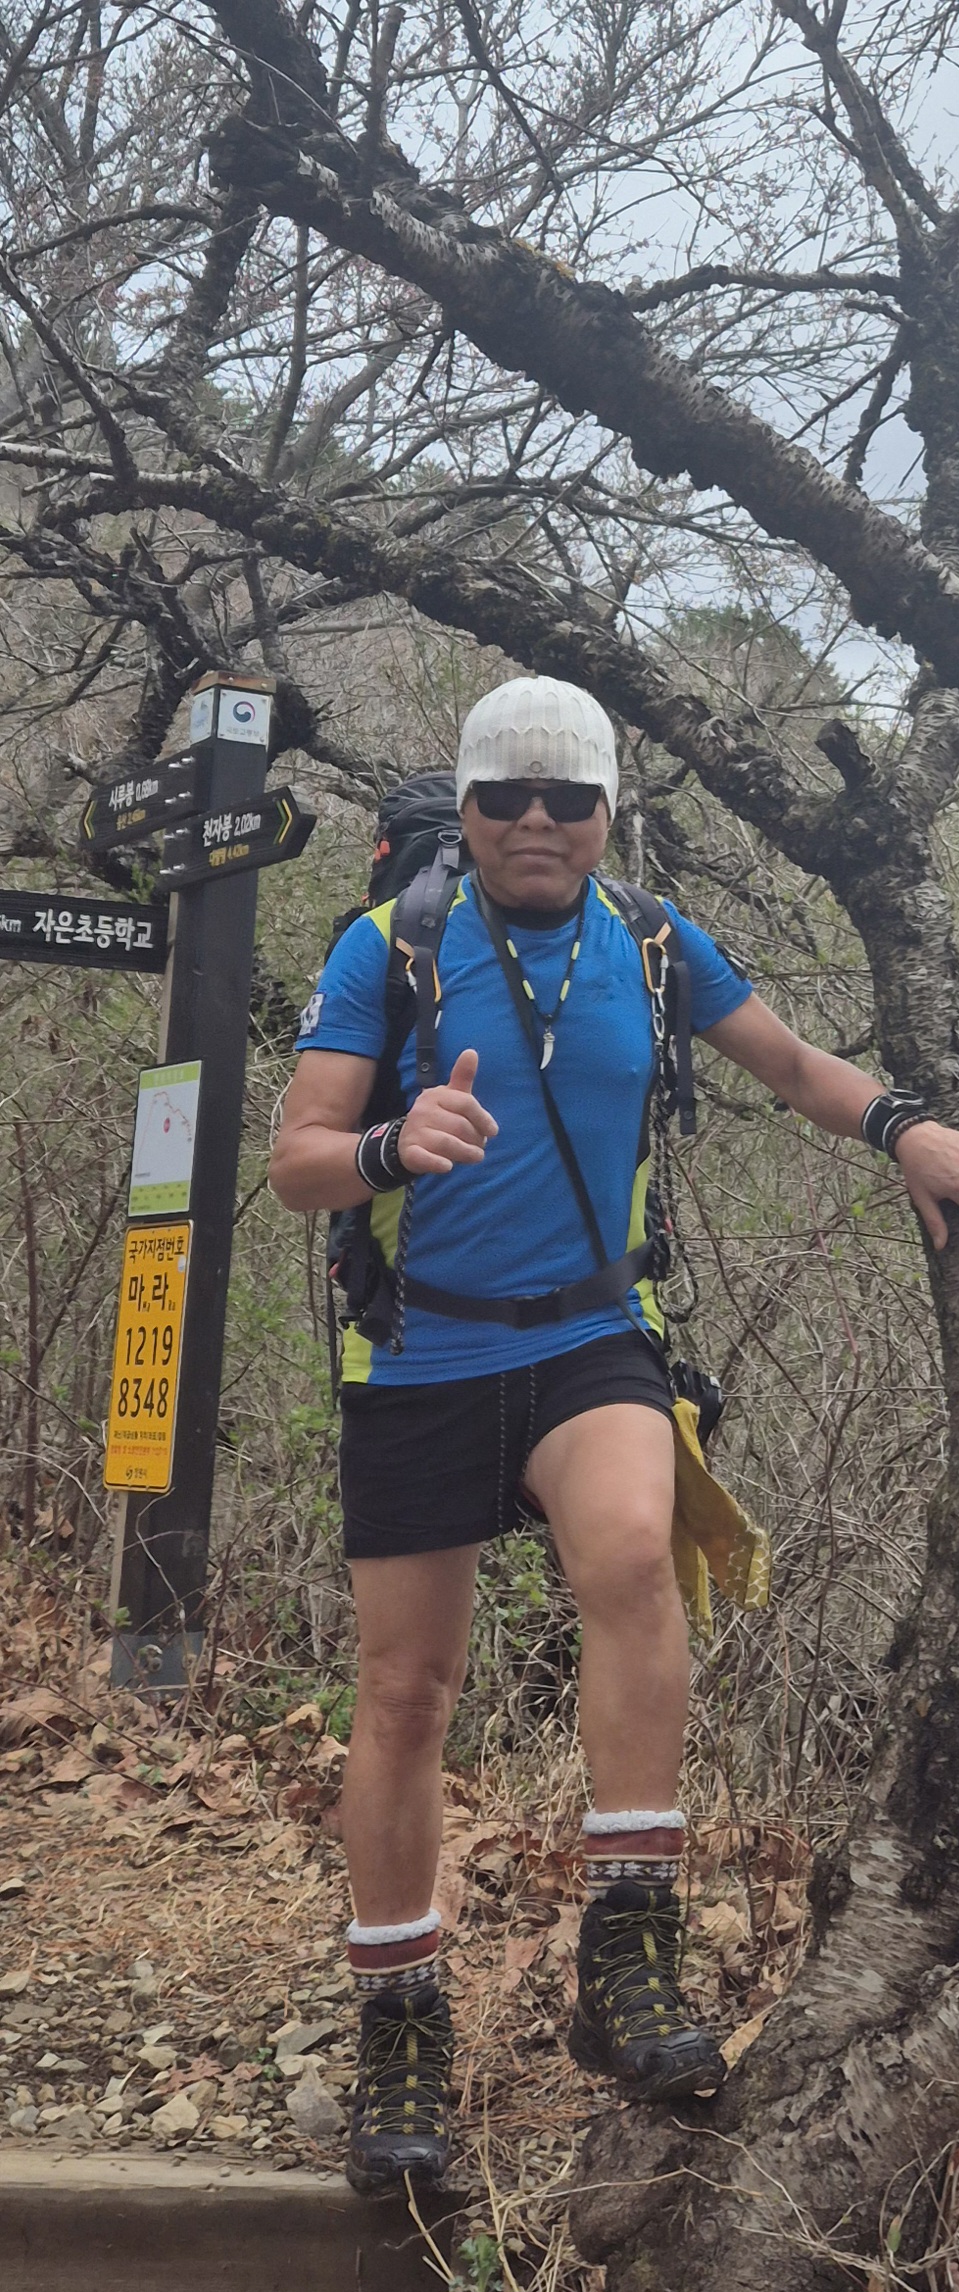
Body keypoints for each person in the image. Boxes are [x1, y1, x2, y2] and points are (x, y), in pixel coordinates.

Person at [269, 675, 959, 2193]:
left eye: (567, 796)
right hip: (423, 1352)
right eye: (506, 795)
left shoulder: (652, 943)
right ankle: (400, 2021)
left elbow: (793, 1066)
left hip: (592, 1335)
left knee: (638, 1559)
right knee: (404, 1693)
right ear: (465, 811)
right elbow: (296, 1160)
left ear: (606, 812)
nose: (537, 820)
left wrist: (905, 1124)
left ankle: (628, 1949)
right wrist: (392, 1141)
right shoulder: (390, 949)